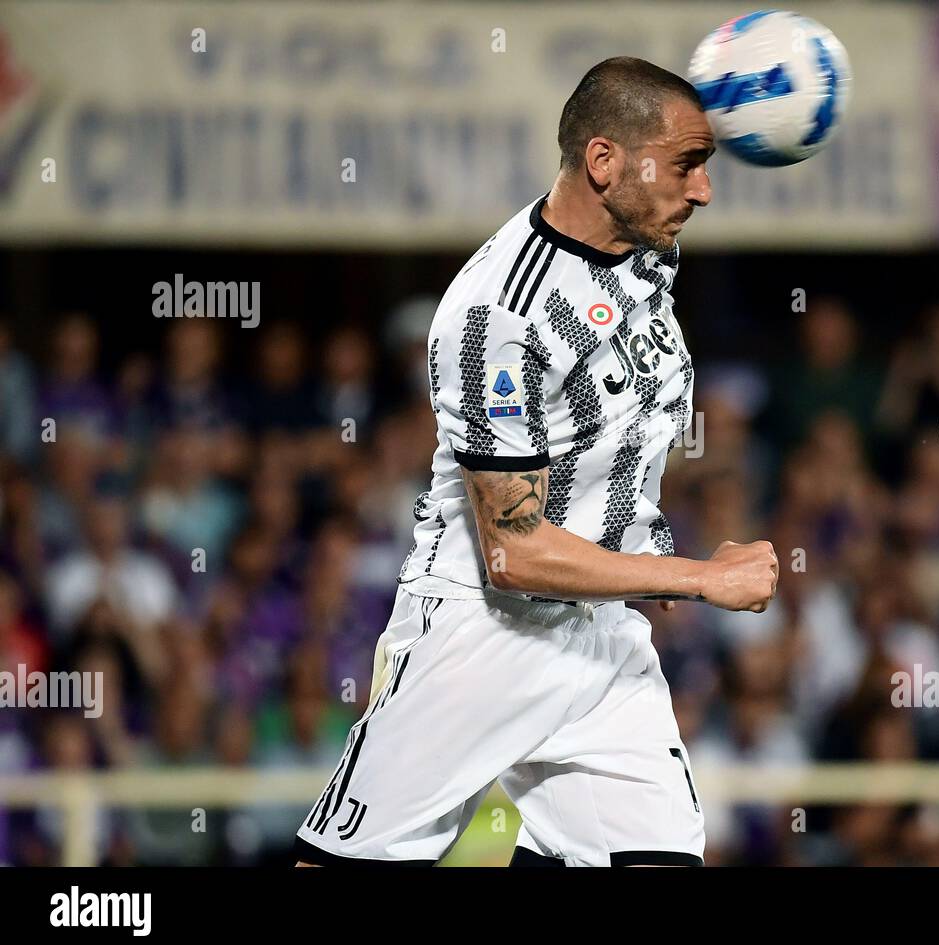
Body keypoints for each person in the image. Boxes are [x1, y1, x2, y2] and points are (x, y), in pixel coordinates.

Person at [294, 57, 778, 868]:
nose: (703, 192)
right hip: (483, 634)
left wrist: (638, 548)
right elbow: (513, 553)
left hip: (603, 634)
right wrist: (692, 577)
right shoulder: (498, 316)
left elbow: (618, 420)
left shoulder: (648, 249)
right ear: (604, 163)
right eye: (688, 165)